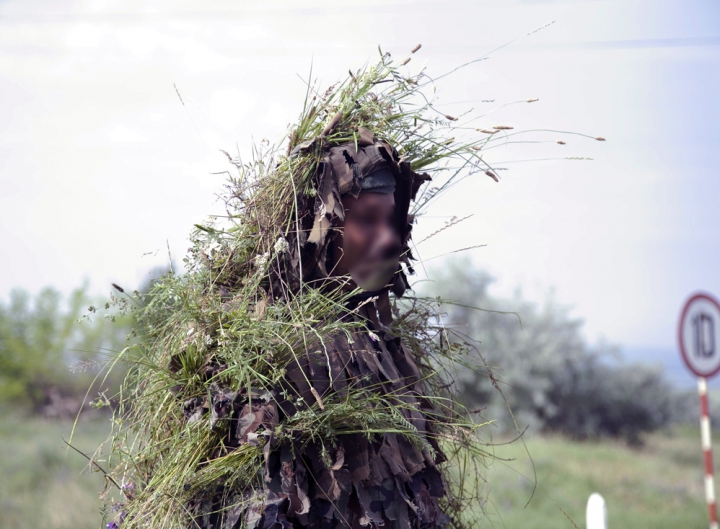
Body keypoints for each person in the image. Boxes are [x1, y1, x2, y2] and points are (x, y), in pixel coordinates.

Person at [188, 132, 449, 529]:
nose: (390, 237)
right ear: (319, 227)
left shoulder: (386, 349)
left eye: (391, 220)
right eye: (367, 220)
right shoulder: (268, 351)